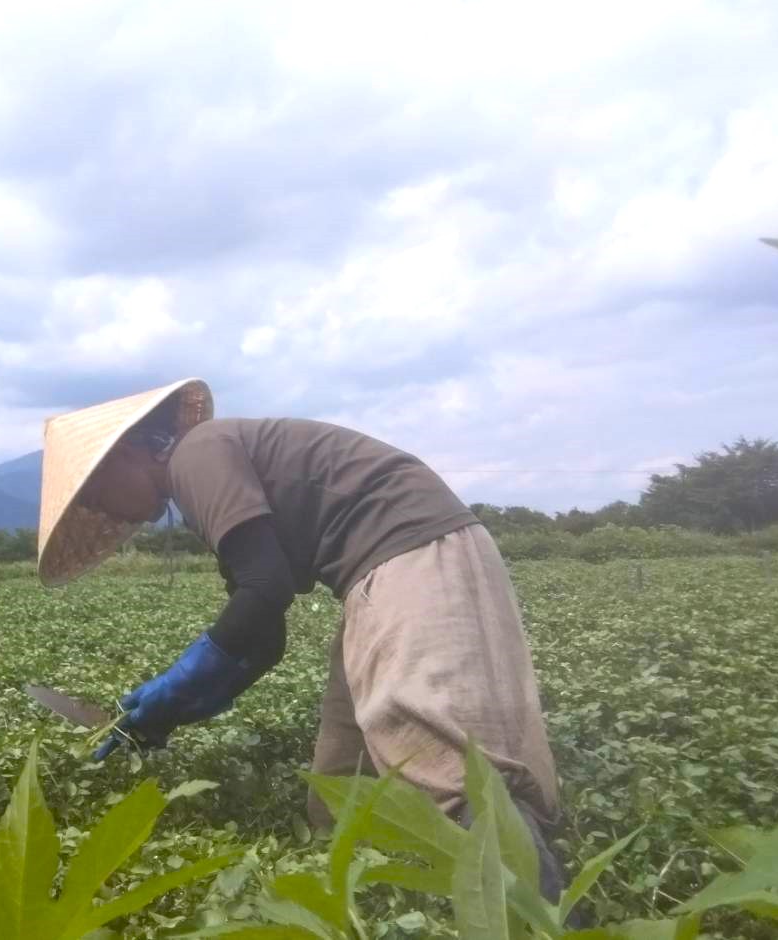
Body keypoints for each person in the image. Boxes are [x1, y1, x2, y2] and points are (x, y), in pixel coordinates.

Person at [36, 378, 574, 906]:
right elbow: (264, 631)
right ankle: (370, 907)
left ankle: (539, 918)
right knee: (343, 783)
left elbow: (264, 587)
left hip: (414, 555)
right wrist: (180, 704)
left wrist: (184, 676)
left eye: (95, 497)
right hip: (375, 572)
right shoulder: (202, 476)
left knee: (444, 763)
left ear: (123, 455)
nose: (106, 514)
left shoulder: (197, 454)